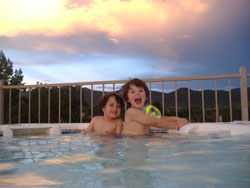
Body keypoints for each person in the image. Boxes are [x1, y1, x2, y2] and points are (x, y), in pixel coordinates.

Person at [120, 78, 189, 136]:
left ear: (146, 96)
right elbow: (154, 122)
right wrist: (177, 125)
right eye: (132, 92)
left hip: (141, 139)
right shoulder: (131, 112)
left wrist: (177, 119)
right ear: (127, 99)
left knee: (165, 137)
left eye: (140, 90)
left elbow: (159, 118)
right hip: (131, 142)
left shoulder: (144, 111)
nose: (137, 93)